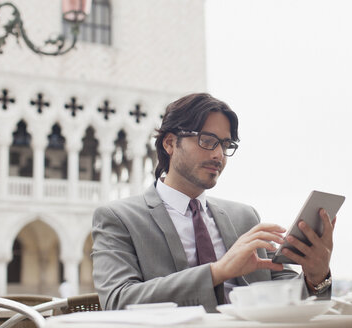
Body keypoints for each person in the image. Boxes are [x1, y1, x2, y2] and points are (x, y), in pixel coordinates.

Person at [92, 93, 335, 312]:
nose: (218, 154)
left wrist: (316, 276)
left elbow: (289, 296)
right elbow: (118, 300)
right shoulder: (118, 218)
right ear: (169, 143)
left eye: (225, 145)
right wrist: (217, 272)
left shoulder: (245, 217)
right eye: (207, 141)